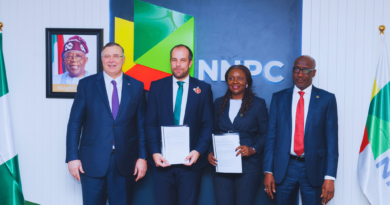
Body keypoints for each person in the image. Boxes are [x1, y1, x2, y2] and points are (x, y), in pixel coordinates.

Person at [65, 42, 147, 205]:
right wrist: (72, 157)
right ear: (101, 59)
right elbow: (75, 124)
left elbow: (141, 126)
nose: (111, 60)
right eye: (107, 56)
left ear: (123, 59)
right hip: (92, 162)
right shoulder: (86, 85)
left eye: (116, 56)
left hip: (125, 162)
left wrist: (142, 157)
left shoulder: (137, 86)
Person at [263, 55, 338, 205]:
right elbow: (271, 136)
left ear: (313, 73)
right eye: (297, 69)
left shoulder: (326, 99)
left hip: (314, 168)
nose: (300, 74)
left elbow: (332, 141)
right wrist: (268, 171)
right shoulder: (279, 98)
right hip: (284, 167)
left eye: (305, 70)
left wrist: (330, 177)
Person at [145, 44, 214, 205]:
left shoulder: (203, 89)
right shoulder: (156, 87)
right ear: (170, 61)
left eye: (183, 60)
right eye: (174, 60)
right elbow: (150, 123)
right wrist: (155, 152)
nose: (178, 64)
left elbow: (208, 124)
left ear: (190, 63)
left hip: (190, 162)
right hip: (162, 161)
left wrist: (198, 151)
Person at [208, 65, 269, 205]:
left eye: (240, 78)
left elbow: (267, 133)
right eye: (231, 78)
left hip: (248, 167)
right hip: (222, 165)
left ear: (247, 82)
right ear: (227, 81)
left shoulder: (258, 104)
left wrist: (253, 149)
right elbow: (211, 130)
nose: (235, 82)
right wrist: (210, 152)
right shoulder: (218, 103)